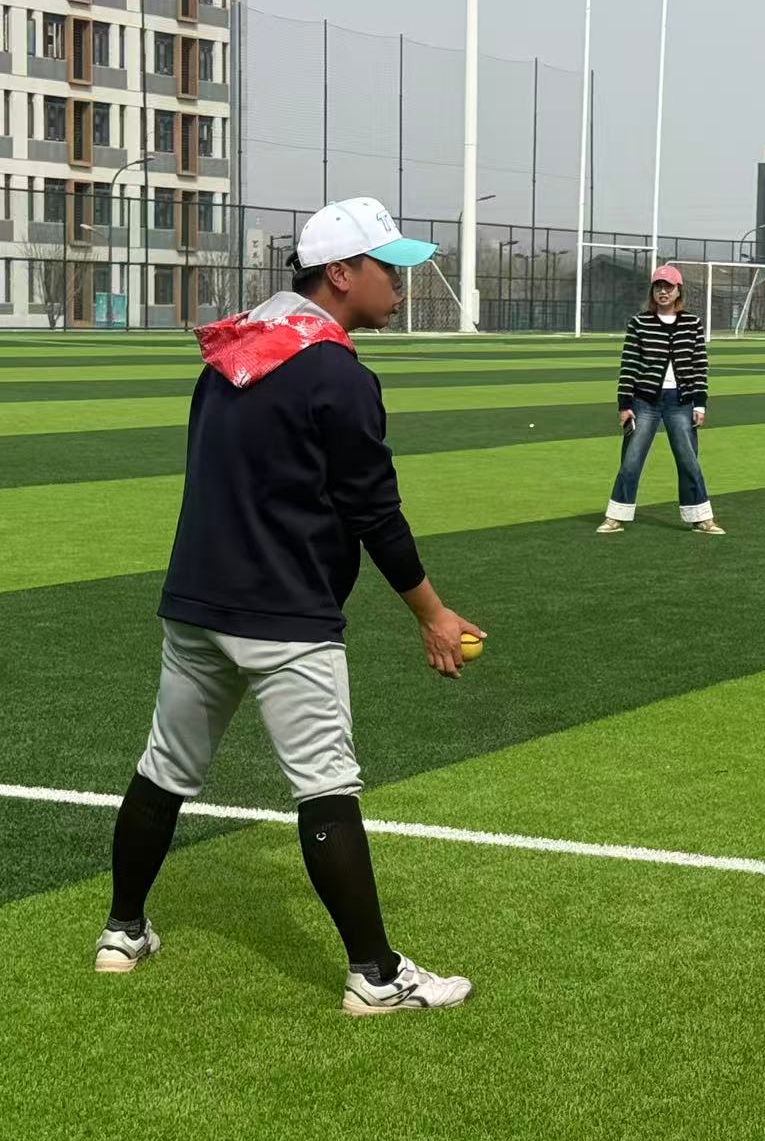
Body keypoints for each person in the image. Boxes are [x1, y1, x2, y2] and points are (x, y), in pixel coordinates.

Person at [94, 197, 482, 1015]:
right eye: (387, 267)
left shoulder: (230, 352)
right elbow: (375, 513)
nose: (400, 283)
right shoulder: (339, 375)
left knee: (165, 768)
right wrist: (433, 613)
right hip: (284, 614)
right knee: (326, 788)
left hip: (196, 601)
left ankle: (123, 931)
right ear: (340, 274)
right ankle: (375, 976)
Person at [597, 264, 724, 535]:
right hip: (645, 402)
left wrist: (700, 403)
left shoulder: (692, 323)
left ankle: (701, 518)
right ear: (652, 291)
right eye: (658, 287)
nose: (663, 292)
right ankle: (616, 515)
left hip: (681, 401)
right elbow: (629, 365)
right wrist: (624, 404)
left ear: (678, 291)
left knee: (688, 460)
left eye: (668, 287)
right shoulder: (639, 323)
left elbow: (699, 365)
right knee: (631, 459)